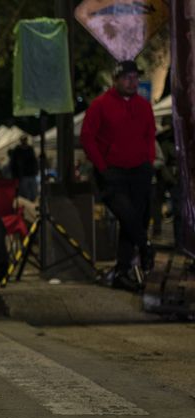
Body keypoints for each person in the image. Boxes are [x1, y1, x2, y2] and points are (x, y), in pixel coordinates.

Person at [80, 60, 156, 292]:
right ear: (116, 80)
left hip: (138, 171)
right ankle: (145, 247)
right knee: (128, 214)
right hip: (112, 173)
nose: (132, 82)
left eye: (135, 78)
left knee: (131, 220)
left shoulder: (143, 106)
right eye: (127, 78)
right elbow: (87, 137)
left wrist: (148, 161)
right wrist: (102, 166)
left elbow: (149, 134)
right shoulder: (100, 105)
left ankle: (123, 271)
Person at [9, 135, 39, 201]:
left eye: (25, 140)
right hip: (23, 176)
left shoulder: (30, 149)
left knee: (34, 193)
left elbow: (34, 161)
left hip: (31, 175)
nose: (24, 141)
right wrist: (15, 175)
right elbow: (13, 164)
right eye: (23, 140)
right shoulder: (17, 150)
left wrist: (35, 170)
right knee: (24, 194)